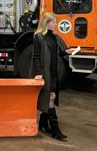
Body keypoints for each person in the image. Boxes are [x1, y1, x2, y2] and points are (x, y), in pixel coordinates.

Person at [31, 13, 76, 141]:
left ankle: (43, 122)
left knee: (52, 96)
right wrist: (38, 73)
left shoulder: (54, 37)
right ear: (47, 23)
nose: (56, 24)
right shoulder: (38, 37)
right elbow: (36, 57)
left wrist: (66, 52)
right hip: (45, 72)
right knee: (51, 97)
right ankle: (55, 129)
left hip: (53, 72)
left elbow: (54, 52)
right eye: (54, 22)